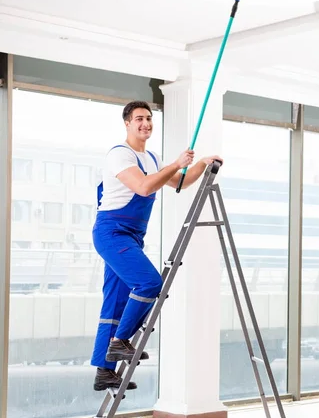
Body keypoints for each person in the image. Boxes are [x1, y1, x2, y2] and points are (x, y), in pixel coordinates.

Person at [91, 100, 222, 391]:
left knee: (115, 303)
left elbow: (180, 183)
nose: (145, 123)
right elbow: (144, 187)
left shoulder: (151, 157)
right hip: (112, 233)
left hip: (132, 236)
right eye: (139, 119)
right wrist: (176, 163)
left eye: (149, 119)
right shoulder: (119, 155)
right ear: (127, 123)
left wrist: (200, 164)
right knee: (150, 283)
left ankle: (104, 372)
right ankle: (120, 341)